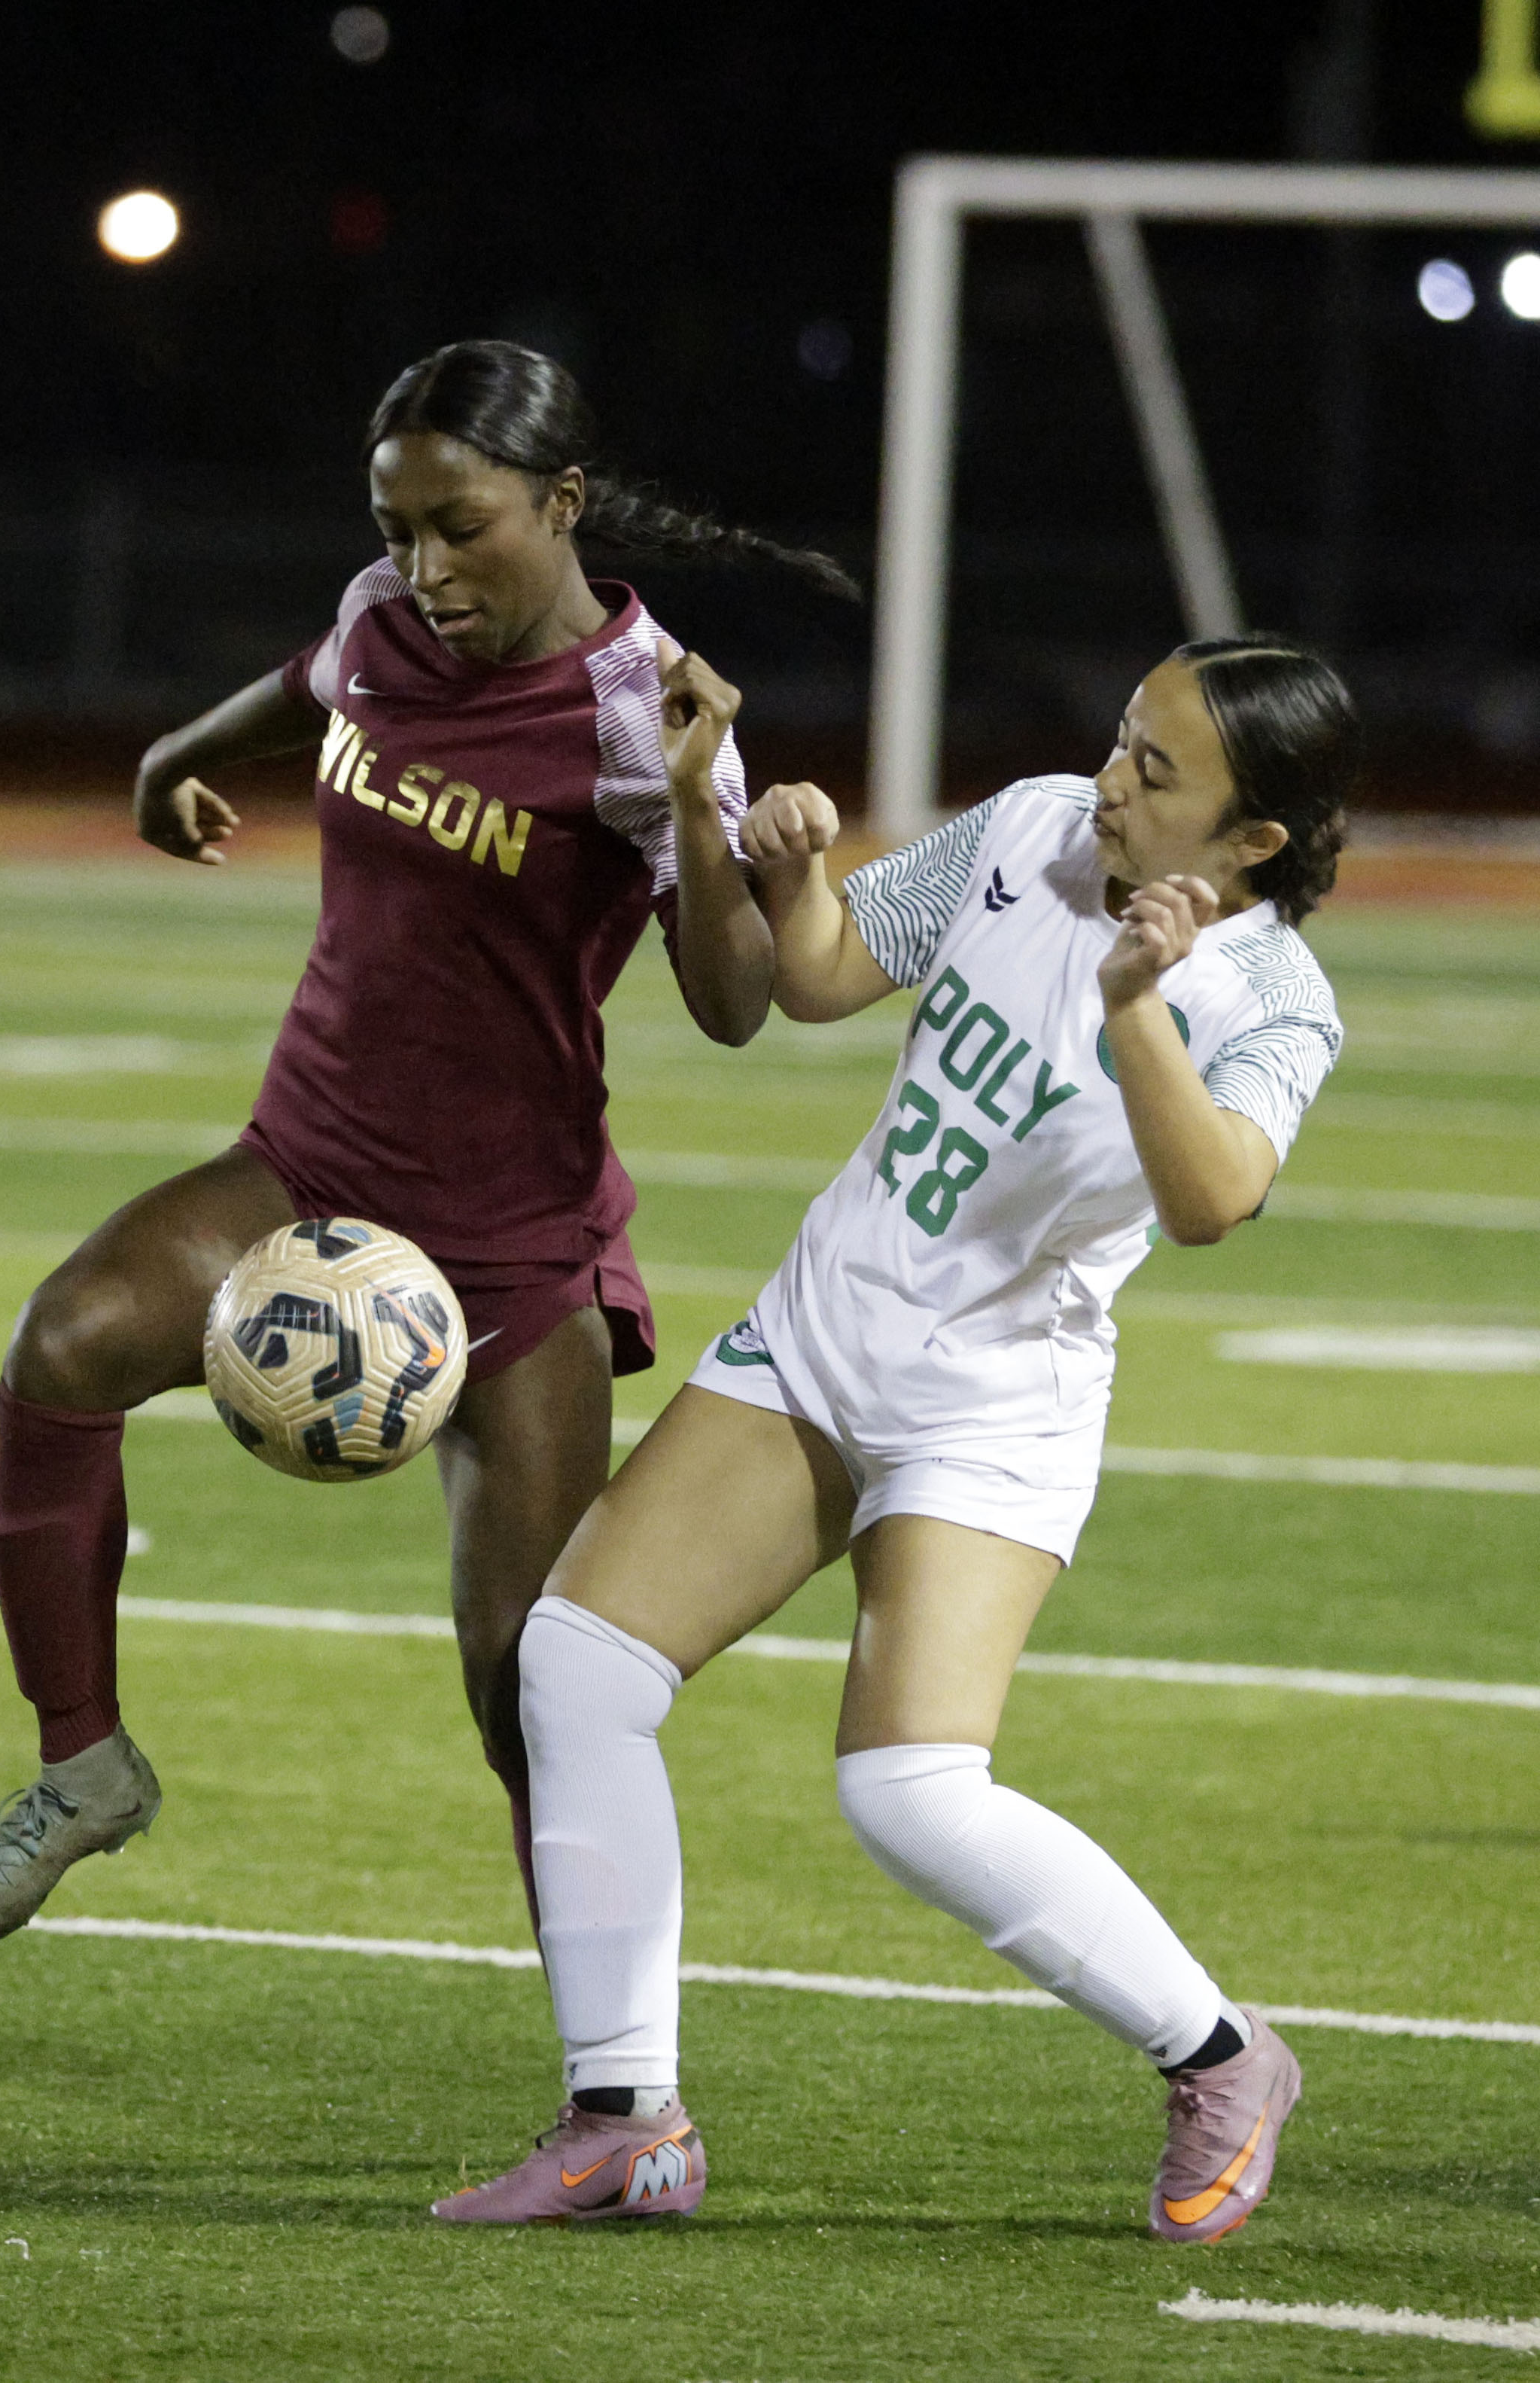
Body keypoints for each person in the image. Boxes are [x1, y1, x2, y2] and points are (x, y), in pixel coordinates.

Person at [0, 340, 858, 1958]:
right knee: (62, 1344)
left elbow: (736, 1002)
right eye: (399, 524)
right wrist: (177, 757)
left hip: (506, 1239)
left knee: (530, 1697)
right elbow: (318, 682)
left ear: (561, 504)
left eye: (463, 527)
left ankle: (617, 2095)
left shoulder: (647, 716)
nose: (426, 567)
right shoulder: (385, 614)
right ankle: (84, 1764)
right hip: (303, 1162)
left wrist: (703, 811)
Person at [433, 637, 1356, 2241]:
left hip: (992, 1402)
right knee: (574, 1663)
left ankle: (1221, 2054)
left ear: (1255, 839)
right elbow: (824, 970)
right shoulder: (1029, 823)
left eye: (1158, 770)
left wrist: (1138, 1006)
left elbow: (1213, 1198)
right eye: (1124, 735)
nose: (1112, 780)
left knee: (912, 1785)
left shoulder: (1274, 996)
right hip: (822, 1326)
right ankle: (625, 2118)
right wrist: (782, 863)